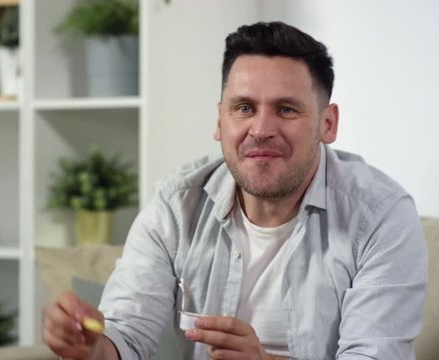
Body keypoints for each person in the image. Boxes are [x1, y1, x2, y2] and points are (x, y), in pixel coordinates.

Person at [42, 21, 428, 360]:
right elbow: (125, 337)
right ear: (219, 120)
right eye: (243, 108)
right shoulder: (176, 204)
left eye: (286, 110)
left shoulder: (382, 215)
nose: (260, 129)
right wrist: (90, 350)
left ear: (328, 124)